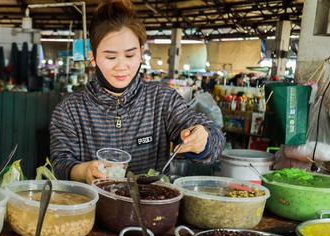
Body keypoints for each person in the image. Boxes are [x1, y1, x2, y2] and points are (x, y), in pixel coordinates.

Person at [49, 0, 225, 184]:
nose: (121, 66)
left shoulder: (162, 99)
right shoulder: (70, 110)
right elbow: (61, 165)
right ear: (93, 58)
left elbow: (216, 140)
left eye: (130, 55)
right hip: (92, 209)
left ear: (141, 52)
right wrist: (84, 170)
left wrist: (202, 141)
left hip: (151, 209)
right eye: (110, 57)